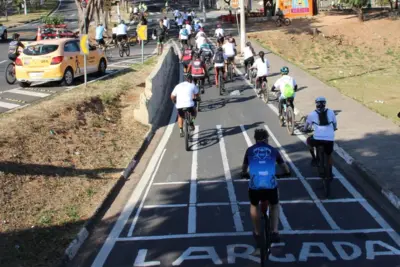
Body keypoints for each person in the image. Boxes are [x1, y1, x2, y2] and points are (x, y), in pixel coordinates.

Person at [242, 128, 290, 245]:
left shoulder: (250, 150)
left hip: (255, 185)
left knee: (254, 205)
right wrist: (287, 173)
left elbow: (244, 168)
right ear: (267, 139)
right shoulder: (273, 150)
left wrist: (244, 174)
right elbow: (284, 167)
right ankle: (274, 231)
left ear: (255, 139)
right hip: (270, 185)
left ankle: (257, 232)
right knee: (274, 205)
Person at [303, 97, 337, 175]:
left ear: (316, 104)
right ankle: (330, 171)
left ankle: (314, 158)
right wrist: (334, 128)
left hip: (317, 139)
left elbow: (306, 126)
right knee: (329, 155)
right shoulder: (331, 112)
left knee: (308, 140)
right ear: (325, 104)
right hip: (329, 139)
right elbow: (335, 124)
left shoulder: (312, 114)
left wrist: (305, 129)